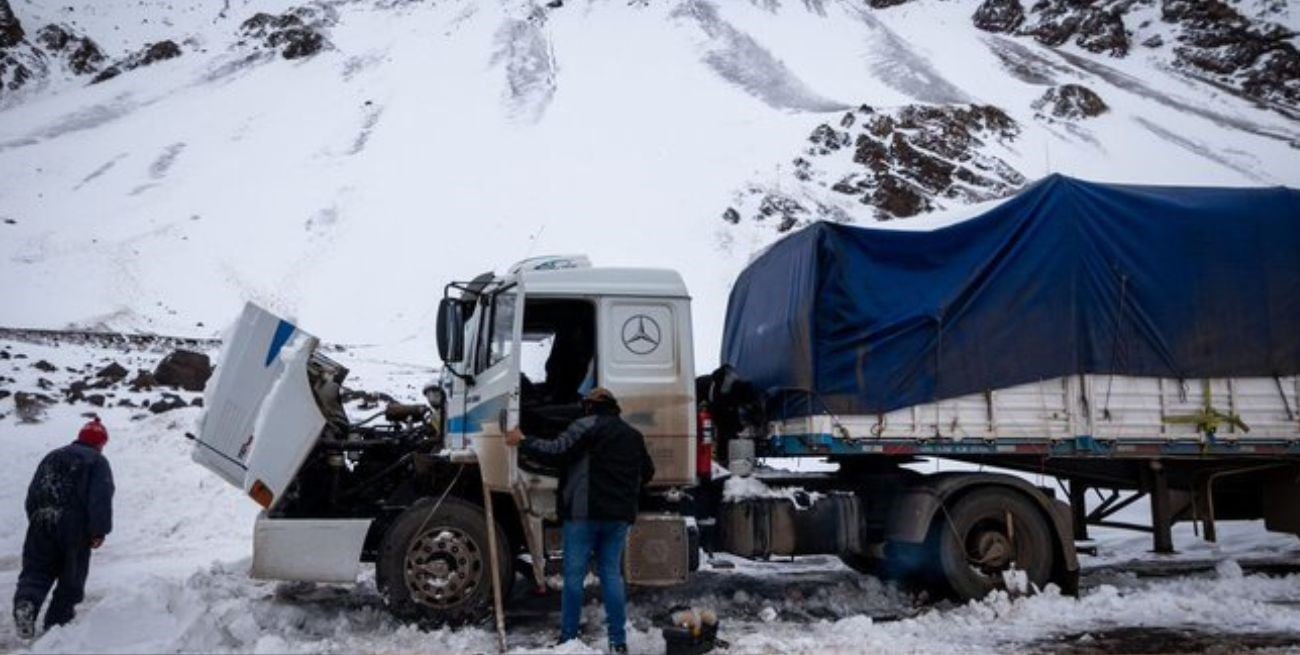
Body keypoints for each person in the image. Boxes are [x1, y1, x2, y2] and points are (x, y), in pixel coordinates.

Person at [506, 387, 654, 655]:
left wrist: (522, 440)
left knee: (574, 577)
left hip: (584, 515)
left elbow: (556, 451)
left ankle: (568, 638)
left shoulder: (585, 426)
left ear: (590, 406)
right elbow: (648, 472)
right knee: (611, 576)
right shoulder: (632, 435)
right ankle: (618, 642)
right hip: (618, 517)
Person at [12, 417, 115, 640]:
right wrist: (99, 530)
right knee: (71, 578)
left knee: (36, 571)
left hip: (41, 521)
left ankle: (26, 604)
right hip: (73, 526)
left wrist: (37, 519)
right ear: (100, 443)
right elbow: (100, 498)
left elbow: (33, 493)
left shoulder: (52, 456)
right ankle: (56, 629)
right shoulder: (96, 461)